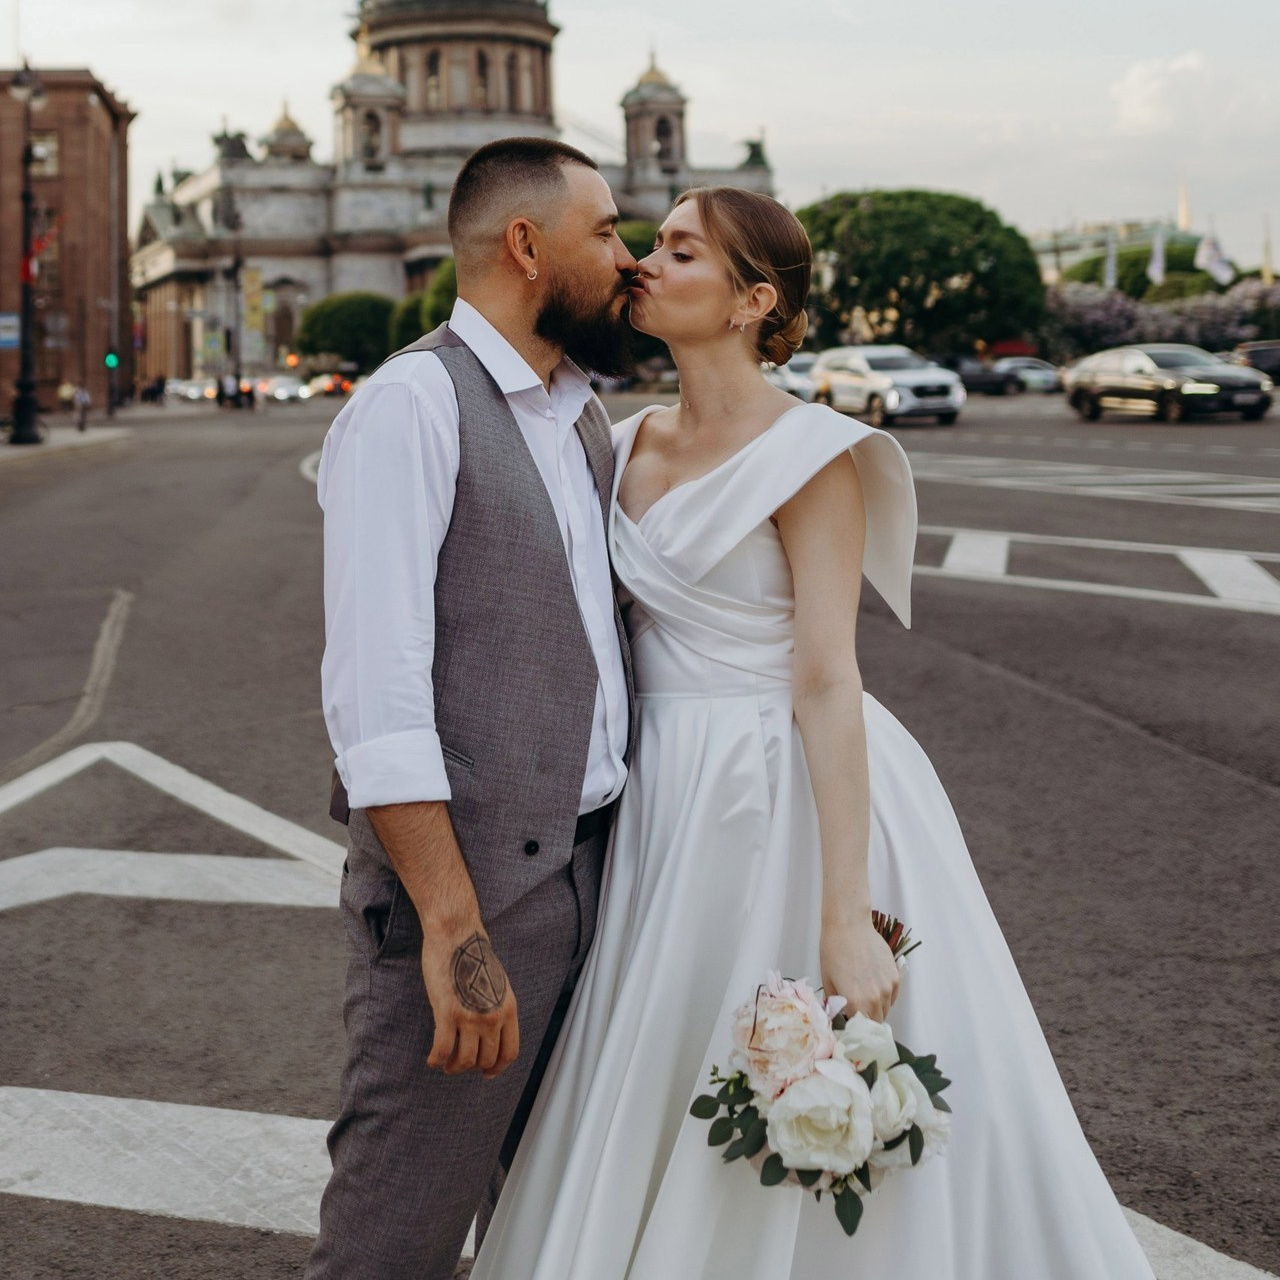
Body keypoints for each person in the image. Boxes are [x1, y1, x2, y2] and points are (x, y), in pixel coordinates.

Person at [471, 188, 1157, 1278]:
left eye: (679, 250)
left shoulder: (816, 454)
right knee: (654, 1062)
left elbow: (830, 679)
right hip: (660, 802)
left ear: (750, 300)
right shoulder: (624, 435)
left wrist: (845, 915)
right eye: (648, 243)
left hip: (779, 794)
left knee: (801, 1063)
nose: (645, 263)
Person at [307, 137, 638, 1280]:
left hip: (598, 877)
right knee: (394, 1236)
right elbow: (376, 697)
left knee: (554, 1230)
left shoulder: (580, 416)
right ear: (527, 246)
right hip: (475, 899)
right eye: (606, 232)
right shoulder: (412, 404)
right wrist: (453, 926)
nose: (627, 257)